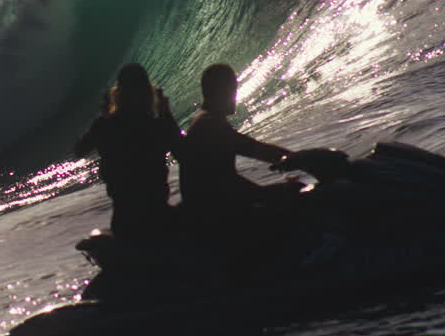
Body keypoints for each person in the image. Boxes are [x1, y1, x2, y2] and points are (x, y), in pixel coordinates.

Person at [177, 63, 295, 227]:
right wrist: (299, 160)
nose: (235, 94)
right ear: (221, 92)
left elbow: (226, 179)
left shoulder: (204, 119)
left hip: (208, 211)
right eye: (232, 89)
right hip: (211, 220)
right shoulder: (210, 125)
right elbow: (258, 151)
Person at [75, 63, 182, 237]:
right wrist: (166, 113)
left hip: (124, 223)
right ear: (149, 92)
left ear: (118, 93)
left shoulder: (104, 126)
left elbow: (80, 150)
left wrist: (103, 116)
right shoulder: (156, 126)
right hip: (159, 218)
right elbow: (182, 153)